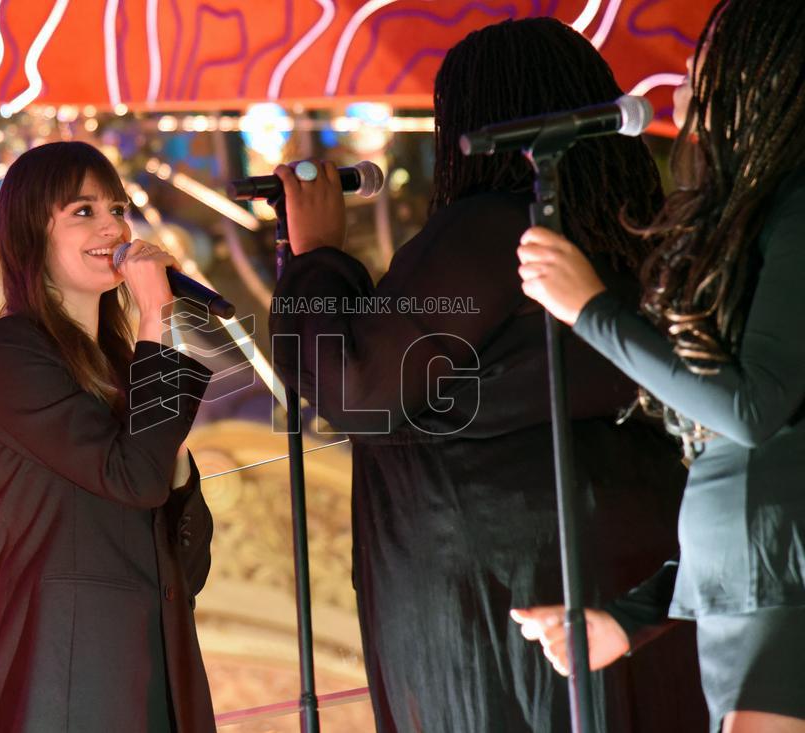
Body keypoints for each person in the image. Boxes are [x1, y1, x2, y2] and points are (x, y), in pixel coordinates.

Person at [268, 17, 706, 733]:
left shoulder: (492, 231)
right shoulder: (643, 240)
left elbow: (359, 385)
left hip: (507, 600)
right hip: (634, 585)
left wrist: (317, 255)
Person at [513, 1, 805, 731]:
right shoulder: (764, 215)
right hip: (744, 590)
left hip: (776, 591)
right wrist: (627, 618)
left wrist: (593, 312)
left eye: (707, 61)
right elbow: (741, 467)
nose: (684, 77)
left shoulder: (800, 212)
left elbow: (750, 410)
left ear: (762, 80)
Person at [0, 141, 215, 732]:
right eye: (83, 212)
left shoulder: (129, 366)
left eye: (118, 208)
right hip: (74, 680)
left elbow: (187, 560)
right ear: (31, 232)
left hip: (157, 669)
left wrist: (170, 437)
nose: (114, 226)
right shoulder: (9, 353)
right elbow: (131, 476)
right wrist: (157, 312)